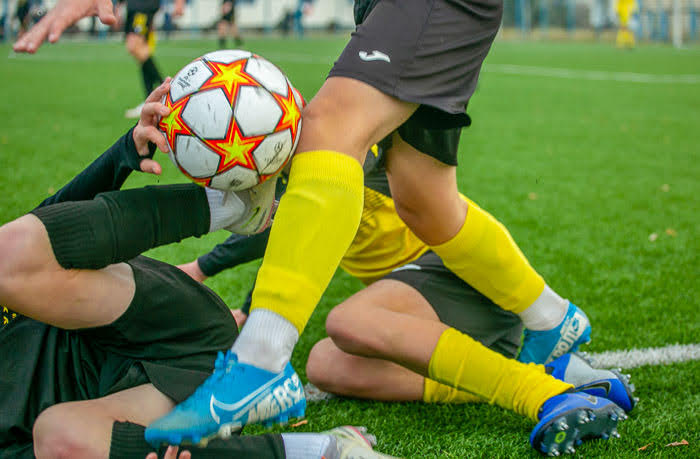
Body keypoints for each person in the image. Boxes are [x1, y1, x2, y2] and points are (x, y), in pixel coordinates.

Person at [12, 2, 610, 454]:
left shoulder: (316, 174)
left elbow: (285, 224)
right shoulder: (317, 193)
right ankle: (551, 321)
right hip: (426, 265)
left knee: (331, 133)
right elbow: (296, 230)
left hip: (433, 277)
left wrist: (225, 273)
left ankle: (261, 361)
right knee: (422, 202)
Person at [0, 81, 394, 459]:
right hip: (170, 398)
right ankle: (321, 452)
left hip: (160, 325)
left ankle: (233, 205)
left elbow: (38, 233)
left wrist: (125, 151)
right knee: (60, 440)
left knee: (9, 260)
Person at [175, 147, 636, 456]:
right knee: (325, 364)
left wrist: (201, 268)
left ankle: (539, 392)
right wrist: (253, 309)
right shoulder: (297, 189)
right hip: (428, 296)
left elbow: (285, 220)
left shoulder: (340, 151)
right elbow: (288, 234)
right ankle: (531, 368)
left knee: (349, 321)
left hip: (460, 277)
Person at [118, 0, 184, 118]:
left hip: (144, 6)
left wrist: (179, 2)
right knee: (141, 52)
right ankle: (151, 99)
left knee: (135, 47)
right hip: (132, 6)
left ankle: (165, 88)